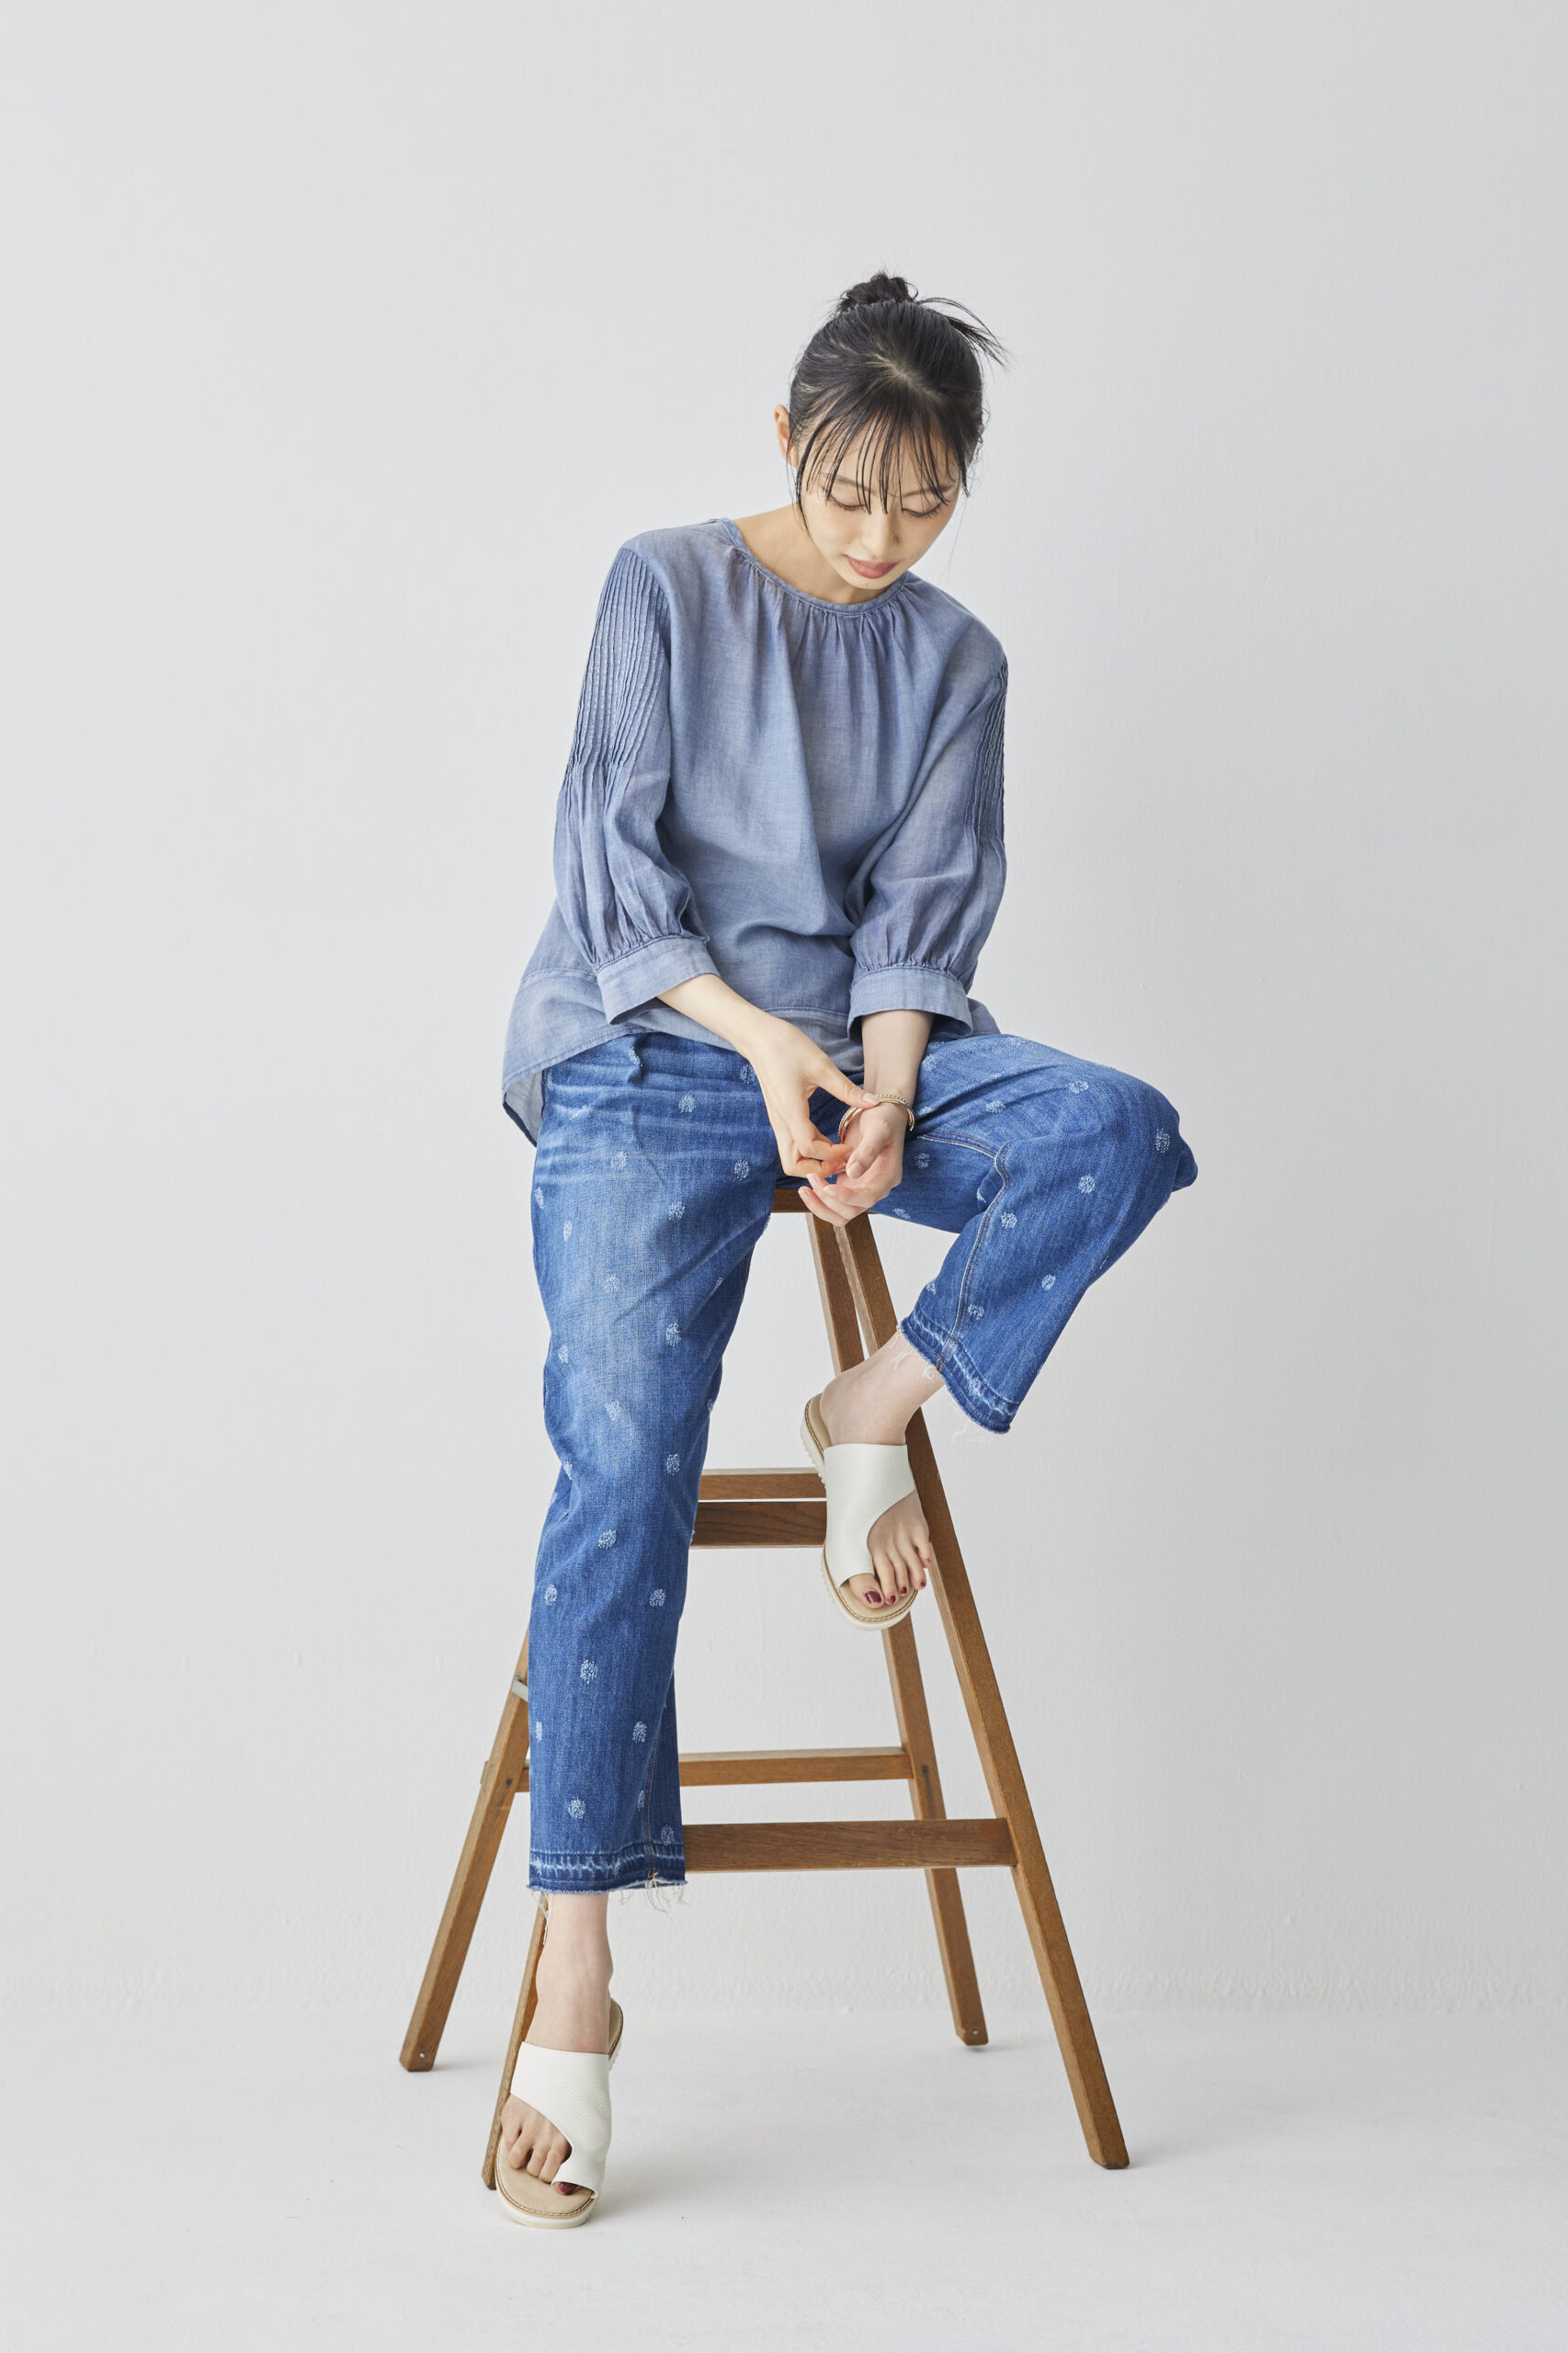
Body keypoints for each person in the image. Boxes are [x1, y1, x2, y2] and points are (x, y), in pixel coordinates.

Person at [491, 272, 1198, 2224]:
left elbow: (919, 914)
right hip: (655, 1047)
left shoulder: (959, 658)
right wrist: (764, 1045)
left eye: (928, 498)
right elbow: (610, 876)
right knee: (621, 1467)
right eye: (852, 489)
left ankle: (873, 1399)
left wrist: (883, 1090)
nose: (885, 536)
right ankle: (575, 1969)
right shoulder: (661, 584)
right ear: (788, 441)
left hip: (857, 1058)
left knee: (1115, 1129)